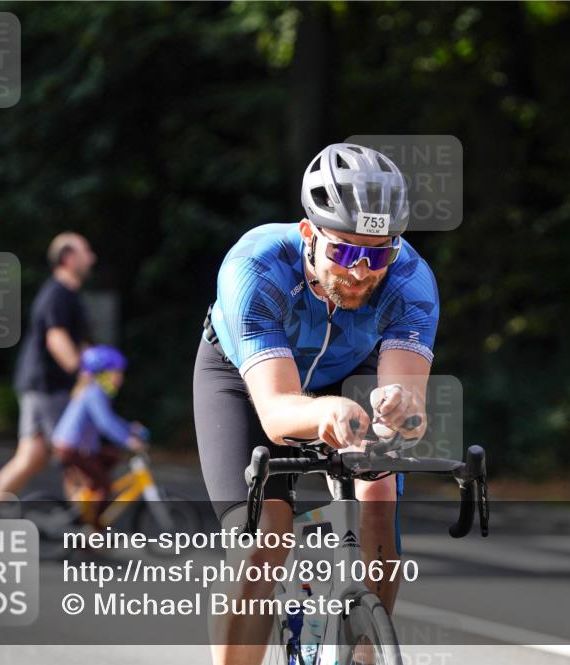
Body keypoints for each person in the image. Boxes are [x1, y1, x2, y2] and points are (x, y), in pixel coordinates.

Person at [194, 143, 438, 665]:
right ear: (309, 234)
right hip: (247, 381)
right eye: (346, 252)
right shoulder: (255, 267)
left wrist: (401, 408)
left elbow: (411, 406)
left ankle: (363, 652)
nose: (361, 271)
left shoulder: (410, 279)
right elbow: (280, 412)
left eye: (378, 254)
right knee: (262, 540)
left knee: (379, 514)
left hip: (351, 374)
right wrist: (326, 411)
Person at [0, 232, 95, 508]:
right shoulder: (58, 294)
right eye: (86, 251)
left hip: (38, 385)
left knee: (31, 457)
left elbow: (77, 343)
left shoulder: (67, 295)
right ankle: (90, 530)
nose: (92, 258)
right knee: (76, 454)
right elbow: (56, 339)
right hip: (49, 387)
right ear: (68, 259)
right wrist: (85, 374)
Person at [52, 345, 148, 525]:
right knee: (103, 484)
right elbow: (105, 423)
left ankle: (87, 500)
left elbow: (110, 419)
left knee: (111, 456)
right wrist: (128, 440)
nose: (120, 378)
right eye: (116, 373)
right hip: (71, 448)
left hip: (74, 446)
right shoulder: (94, 392)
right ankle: (91, 531)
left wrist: (130, 428)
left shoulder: (94, 391)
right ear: (102, 374)